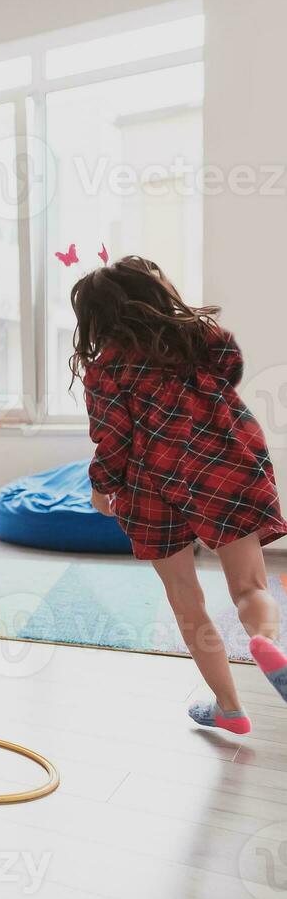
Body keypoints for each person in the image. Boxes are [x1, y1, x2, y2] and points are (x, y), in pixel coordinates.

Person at [73, 255, 287, 734]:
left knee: (184, 598)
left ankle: (229, 707)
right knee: (251, 587)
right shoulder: (200, 338)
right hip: (223, 466)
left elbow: (113, 438)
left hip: (151, 485)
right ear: (156, 296)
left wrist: (102, 488)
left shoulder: (105, 370)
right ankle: (270, 646)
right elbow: (230, 369)